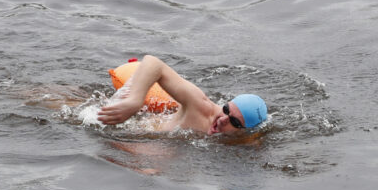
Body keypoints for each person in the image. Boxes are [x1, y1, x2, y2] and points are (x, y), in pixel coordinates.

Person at [97, 55, 268, 134]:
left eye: (235, 122)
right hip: (130, 127)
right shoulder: (200, 106)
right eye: (226, 109)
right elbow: (154, 63)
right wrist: (135, 101)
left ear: (245, 131)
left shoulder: (246, 141)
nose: (223, 119)